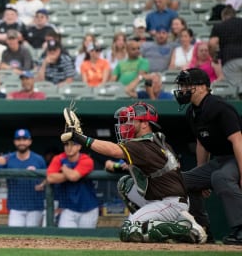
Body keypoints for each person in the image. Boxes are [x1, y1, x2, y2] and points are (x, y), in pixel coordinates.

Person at [61, 101, 207, 243]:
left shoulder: (143, 145)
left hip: (169, 202)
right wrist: (117, 167)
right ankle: (151, 221)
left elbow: (113, 150)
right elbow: (128, 166)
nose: (125, 125)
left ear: (145, 124)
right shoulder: (157, 142)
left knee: (128, 230)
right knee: (125, 184)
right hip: (161, 197)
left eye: (131, 121)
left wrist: (79, 138)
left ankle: (185, 229)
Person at [175, 68, 242, 245]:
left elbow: (237, 140)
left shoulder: (219, 107)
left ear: (202, 87)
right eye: (181, 85)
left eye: (186, 85)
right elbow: (201, 143)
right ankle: (202, 228)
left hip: (237, 155)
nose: (182, 89)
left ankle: (240, 230)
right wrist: (200, 175)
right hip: (220, 159)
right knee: (183, 180)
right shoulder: (192, 111)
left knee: (221, 177)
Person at [0, 129, 47, 227]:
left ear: (29, 141)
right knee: (14, 236)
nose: (21, 142)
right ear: (15, 142)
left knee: (33, 237)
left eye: (24, 139)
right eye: (19, 139)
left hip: (35, 205)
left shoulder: (38, 159)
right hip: (16, 206)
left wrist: (43, 184)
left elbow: (48, 176)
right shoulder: (8, 158)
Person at [46, 139, 97, 228]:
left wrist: (64, 169)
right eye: (66, 145)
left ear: (79, 146)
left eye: (73, 145)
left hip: (88, 207)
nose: (69, 148)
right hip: (68, 208)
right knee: (65, 238)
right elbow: (50, 178)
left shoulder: (86, 159)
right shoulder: (59, 158)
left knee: (87, 239)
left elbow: (74, 177)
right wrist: (70, 174)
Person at [209, 5, 242, 86]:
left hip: (230, 59)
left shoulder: (219, 26)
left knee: (235, 88)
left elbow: (212, 43)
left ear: (223, 17)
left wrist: (213, 56)